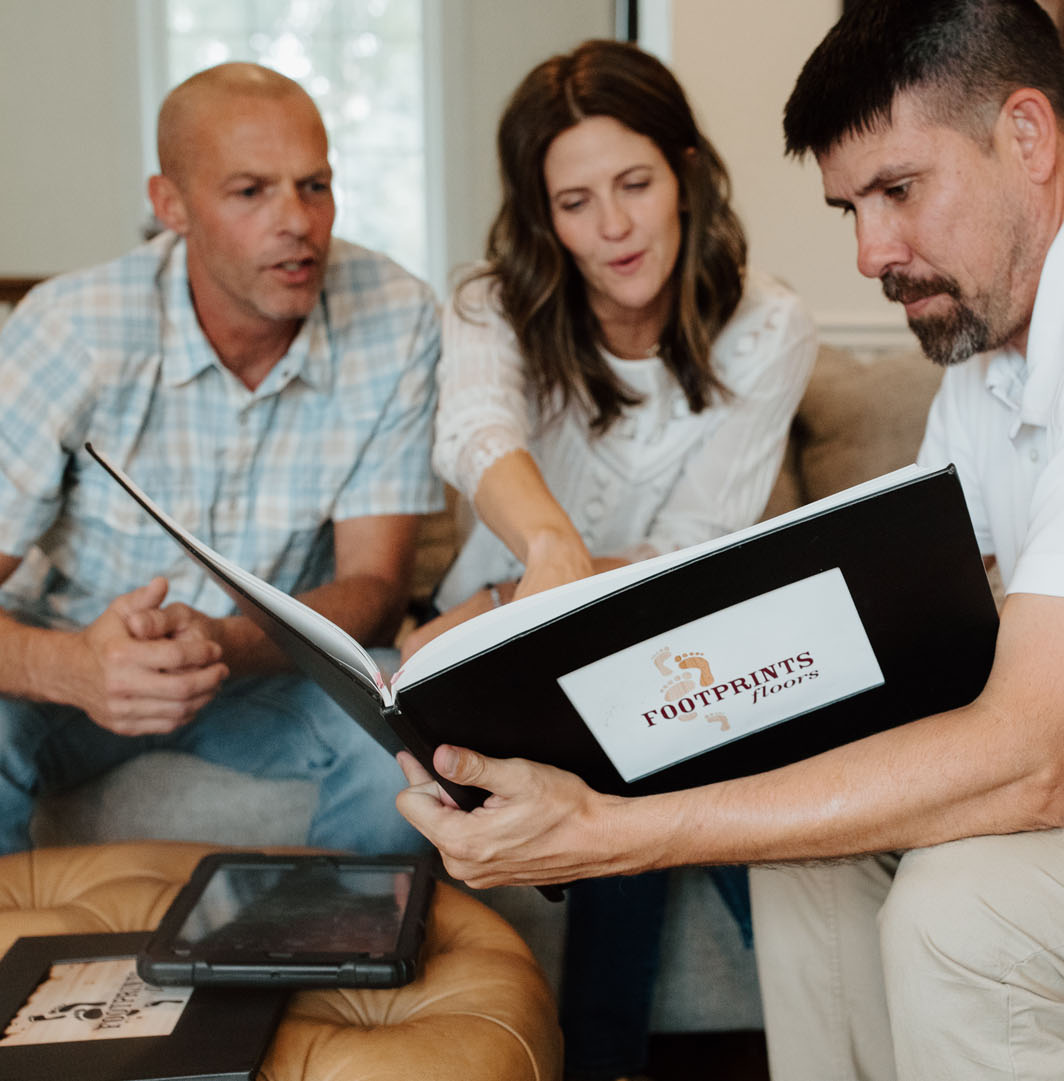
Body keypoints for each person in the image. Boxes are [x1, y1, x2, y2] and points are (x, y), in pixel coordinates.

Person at [394, 4, 1064, 1080]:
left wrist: (617, 827)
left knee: (962, 911)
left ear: (1025, 135)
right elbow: (966, 618)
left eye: (898, 191)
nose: (871, 251)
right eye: (848, 208)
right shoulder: (987, 354)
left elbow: (1034, 759)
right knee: (809, 850)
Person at [0, 62, 441, 874]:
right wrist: (70, 666)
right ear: (170, 206)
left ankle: (325, 968)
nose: (297, 222)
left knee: (407, 728)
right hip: (73, 651)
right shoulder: (73, 327)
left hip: (267, 664)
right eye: (251, 191)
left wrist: (225, 639)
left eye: (314, 185)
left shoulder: (396, 317)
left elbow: (376, 584)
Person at [402, 39, 817, 1081]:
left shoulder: (768, 326)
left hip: (665, 633)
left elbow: (691, 551)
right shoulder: (491, 309)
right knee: (625, 739)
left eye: (635, 183)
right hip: (496, 635)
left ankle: (615, 1060)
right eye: (575, 201)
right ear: (540, 214)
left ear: (686, 169)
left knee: (634, 734)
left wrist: (554, 582)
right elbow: (473, 433)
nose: (615, 226)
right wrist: (539, 556)